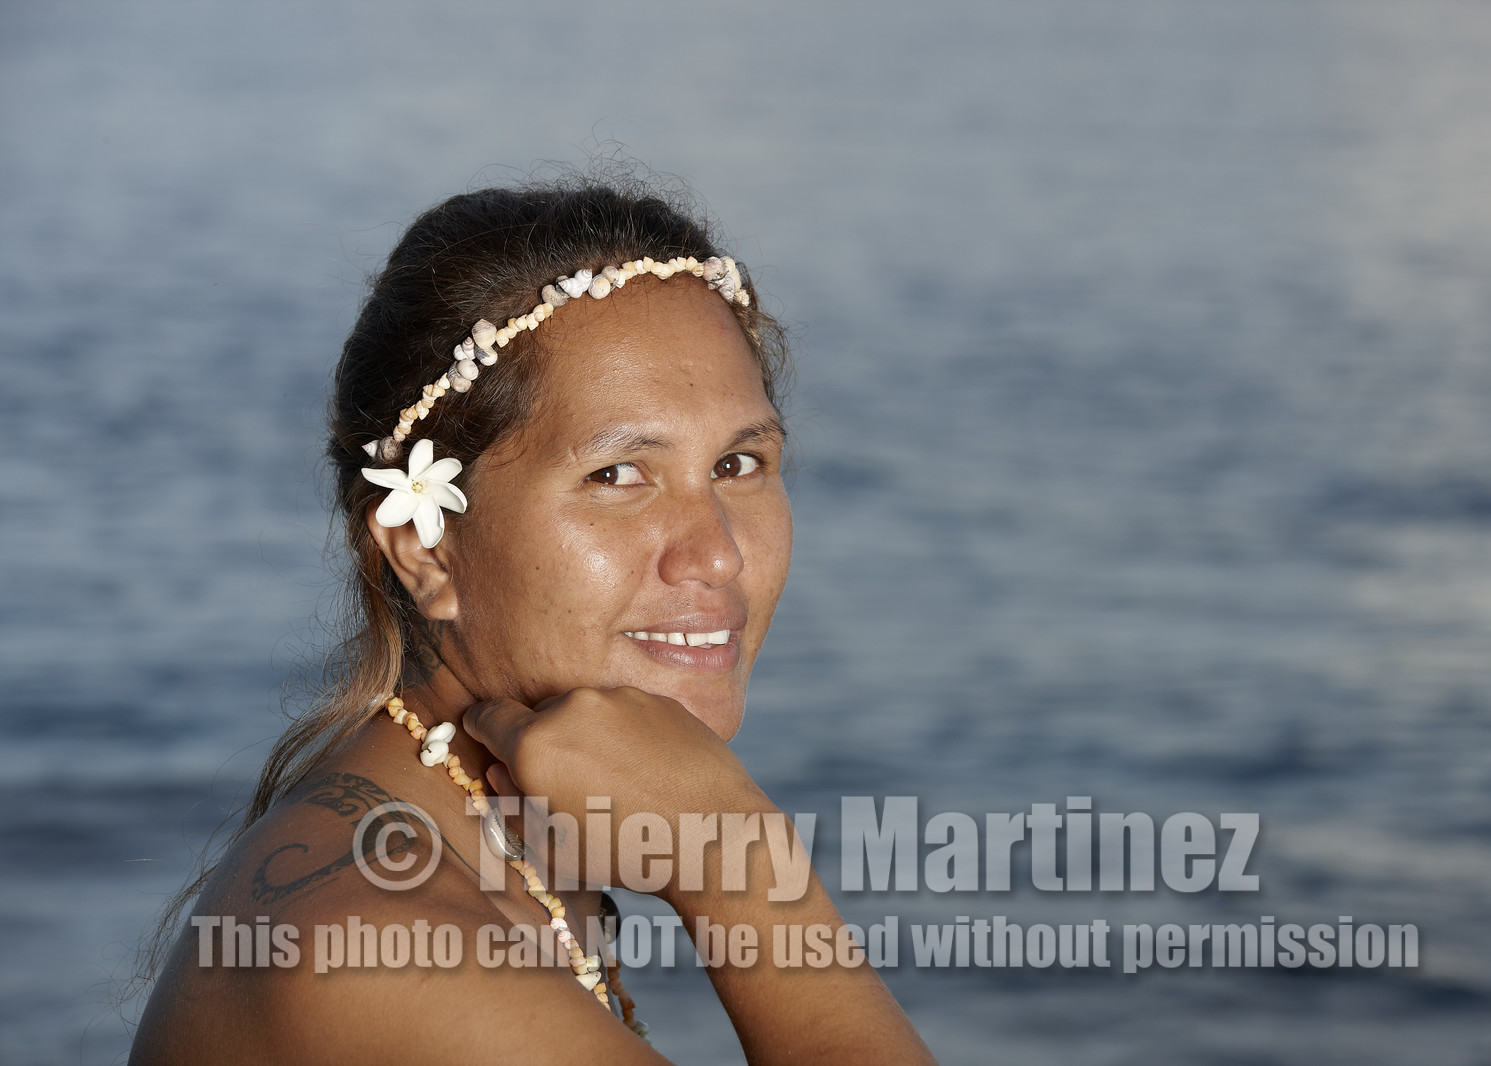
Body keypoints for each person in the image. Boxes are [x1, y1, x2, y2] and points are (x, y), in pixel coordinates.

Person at [130, 176, 938, 1065]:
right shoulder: (376, 947)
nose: (716, 554)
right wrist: (740, 865)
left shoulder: (489, 844)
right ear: (426, 549)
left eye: (740, 462)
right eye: (617, 475)